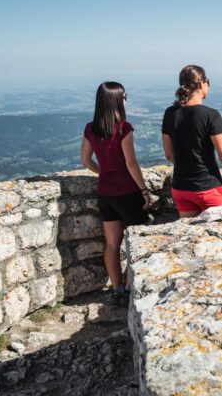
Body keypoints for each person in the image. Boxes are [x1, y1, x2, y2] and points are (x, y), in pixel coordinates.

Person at [80, 82, 151, 306]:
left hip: (105, 192)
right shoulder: (123, 128)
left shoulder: (90, 128)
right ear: (117, 100)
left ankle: (117, 289)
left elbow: (85, 161)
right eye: (124, 96)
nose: (126, 100)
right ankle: (129, 287)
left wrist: (104, 172)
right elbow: (131, 163)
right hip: (128, 192)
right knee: (135, 242)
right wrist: (144, 190)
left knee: (112, 245)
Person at [161, 65, 222, 218]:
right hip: (208, 189)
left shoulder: (170, 113)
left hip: (181, 189)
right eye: (208, 81)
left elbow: (169, 155)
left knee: (191, 236)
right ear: (201, 83)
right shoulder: (210, 115)